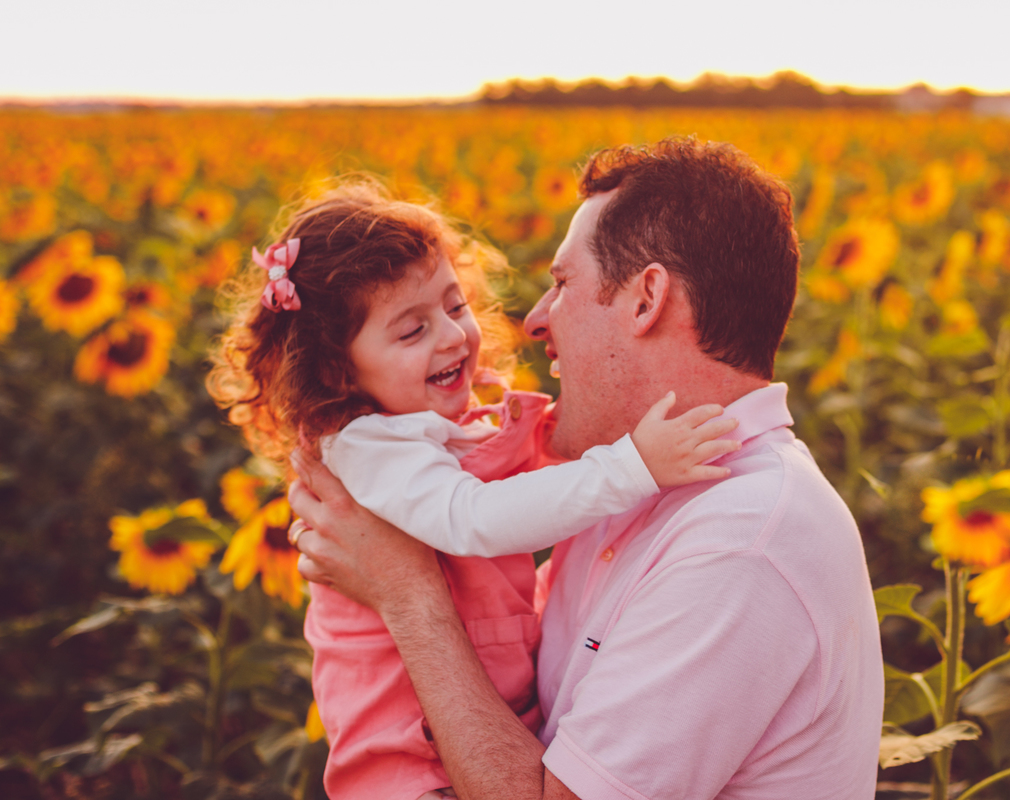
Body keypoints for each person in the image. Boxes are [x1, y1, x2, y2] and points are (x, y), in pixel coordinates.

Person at [288, 139, 885, 799]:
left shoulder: (741, 539)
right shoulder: (630, 484)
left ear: (646, 299)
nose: (534, 320)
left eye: (563, 283)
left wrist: (406, 593)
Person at [207, 181, 741, 800]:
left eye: (455, 306)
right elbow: (473, 517)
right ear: (337, 369)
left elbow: (516, 475)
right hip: (411, 754)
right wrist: (630, 467)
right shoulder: (368, 449)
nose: (453, 336)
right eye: (413, 331)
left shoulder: (424, 423)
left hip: (471, 723)